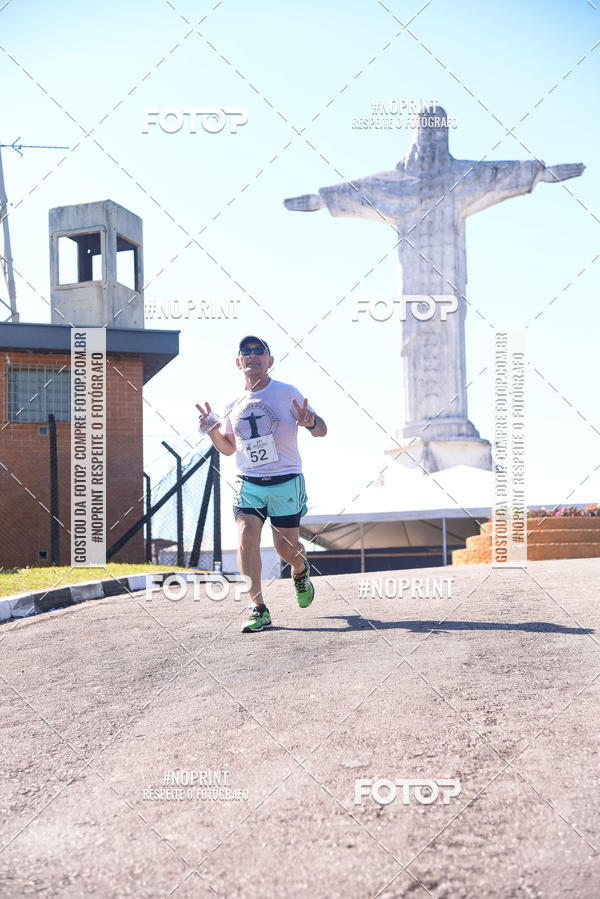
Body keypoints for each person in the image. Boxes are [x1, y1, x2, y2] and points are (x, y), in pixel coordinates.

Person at [196, 336, 327, 633]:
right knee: (245, 535)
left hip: (286, 481)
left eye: (259, 351)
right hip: (249, 483)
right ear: (238, 362)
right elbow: (229, 448)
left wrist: (310, 422)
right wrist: (211, 431)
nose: (253, 355)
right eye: (246, 352)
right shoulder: (232, 402)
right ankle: (258, 608)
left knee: (286, 548)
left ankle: (299, 569)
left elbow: (322, 430)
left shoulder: (286, 392)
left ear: (270, 360)